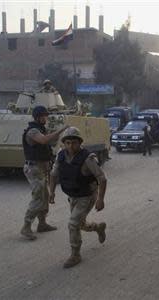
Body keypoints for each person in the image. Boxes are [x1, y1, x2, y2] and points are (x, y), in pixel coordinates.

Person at [49, 127, 107, 268]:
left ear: (79, 143)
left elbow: (102, 178)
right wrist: (51, 192)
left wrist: (100, 199)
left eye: (74, 143)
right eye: (67, 142)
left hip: (87, 196)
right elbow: (53, 174)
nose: (70, 146)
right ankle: (98, 227)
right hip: (73, 195)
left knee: (73, 224)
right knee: (80, 224)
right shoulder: (61, 155)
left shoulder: (87, 158)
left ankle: (75, 255)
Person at [20, 105, 67, 240]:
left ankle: (42, 223)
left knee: (44, 196)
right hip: (34, 168)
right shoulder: (32, 131)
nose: (46, 118)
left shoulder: (41, 129)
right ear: (38, 117)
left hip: (41, 168)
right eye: (44, 116)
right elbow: (44, 140)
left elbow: (49, 143)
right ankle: (26, 226)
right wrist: (61, 129)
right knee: (38, 197)